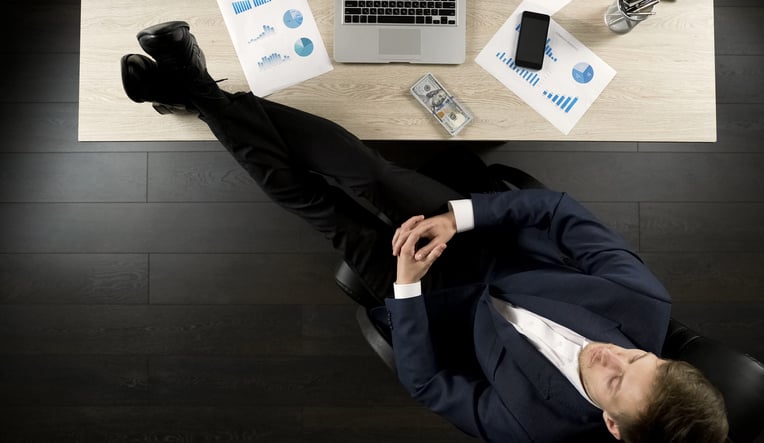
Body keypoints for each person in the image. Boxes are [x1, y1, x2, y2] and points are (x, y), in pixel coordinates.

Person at [121, 21, 729, 443]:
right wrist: (456, 218)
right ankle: (195, 90)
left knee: (320, 207)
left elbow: (428, 382)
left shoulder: (531, 427)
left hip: (430, 301)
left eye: (615, 379)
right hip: (481, 239)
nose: (610, 355)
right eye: (637, 356)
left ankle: (189, 88)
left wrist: (408, 287)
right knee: (367, 172)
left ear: (613, 426)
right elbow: (559, 212)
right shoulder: (644, 304)